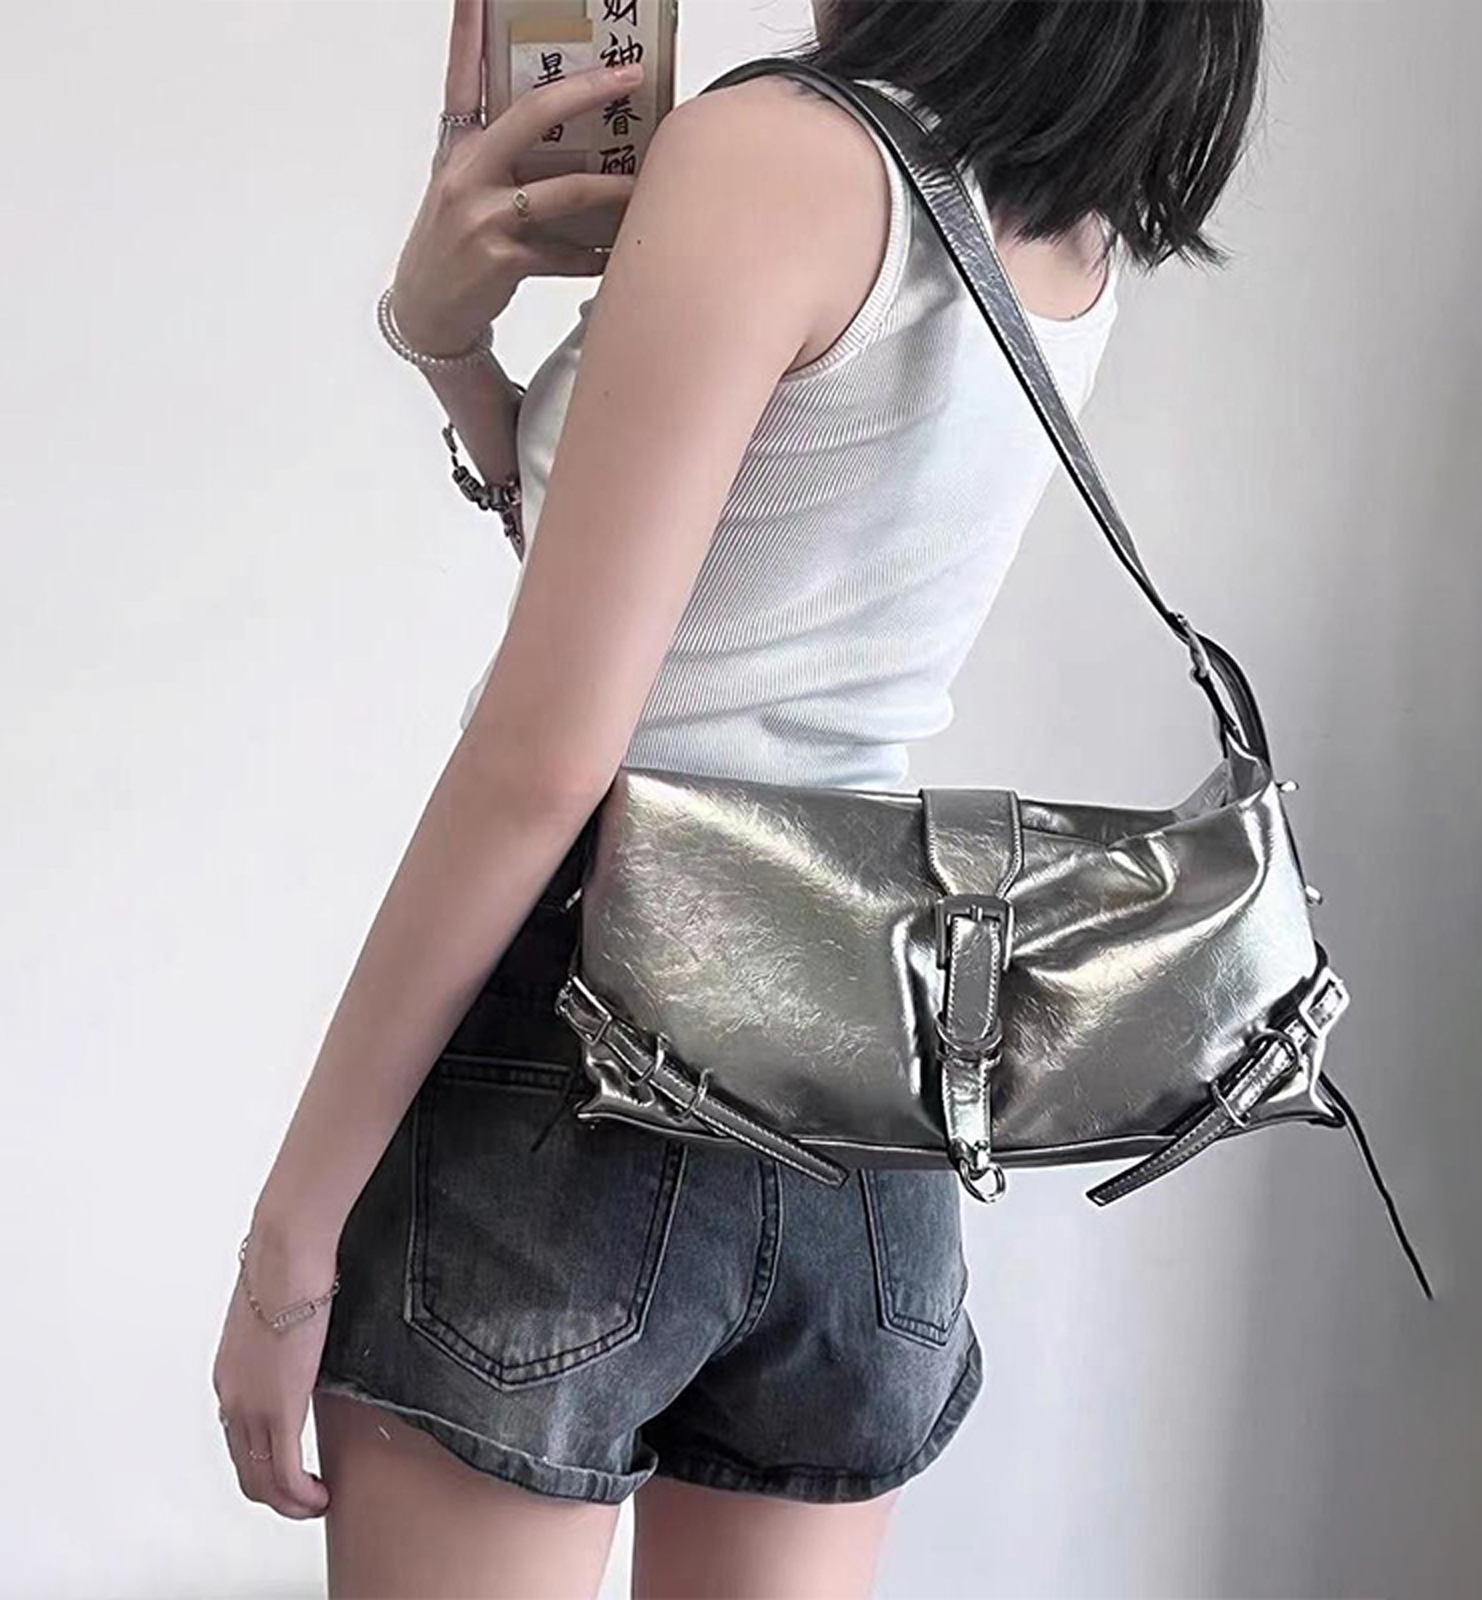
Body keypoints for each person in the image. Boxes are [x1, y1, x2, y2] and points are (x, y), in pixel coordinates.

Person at [211, 2, 1264, 1594]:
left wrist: (292, 1237)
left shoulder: (770, 154)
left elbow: (548, 752)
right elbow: (705, 603)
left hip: (583, 1053)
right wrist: (452, 352)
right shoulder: (1061, 214)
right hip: (876, 1090)